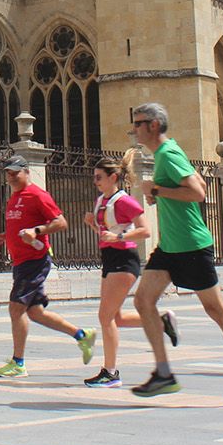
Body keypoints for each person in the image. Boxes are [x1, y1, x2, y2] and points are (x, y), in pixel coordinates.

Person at [127, 102, 223, 405]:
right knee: (143, 300)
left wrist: (158, 191)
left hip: (191, 245)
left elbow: (198, 192)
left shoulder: (168, 154)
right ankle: (163, 373)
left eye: (138, 123)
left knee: (216, 310)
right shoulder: (167, 154)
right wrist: (161, 194)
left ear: (153, 125)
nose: (134, 129)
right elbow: (200, 181)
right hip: (170, 247)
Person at [0, 155, 96, 378]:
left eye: (15, 172)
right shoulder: (14, 197)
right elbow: (20, 228)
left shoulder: (37, 194)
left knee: (16, 308)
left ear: (26, 171)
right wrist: (4, 237)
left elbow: (61, 222)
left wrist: (37, 232)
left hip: (34, 261)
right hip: (21, 261)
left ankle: (18, 363)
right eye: (8, 173)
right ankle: (82, 335)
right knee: (35, 313)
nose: (11, 176)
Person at [81, 153, 171, 387]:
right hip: (110, 258)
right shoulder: (102, 200)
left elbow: (146, 230)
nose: (96, 181)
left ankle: (110, 372)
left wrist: (119, 236)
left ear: (113, 177)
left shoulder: (125, 200)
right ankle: (161, 321)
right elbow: (105, 236)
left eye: (99, 177)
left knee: (105, 316)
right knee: (116, 318)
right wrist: (93, 224)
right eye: (95, 177)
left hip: (124, 260)